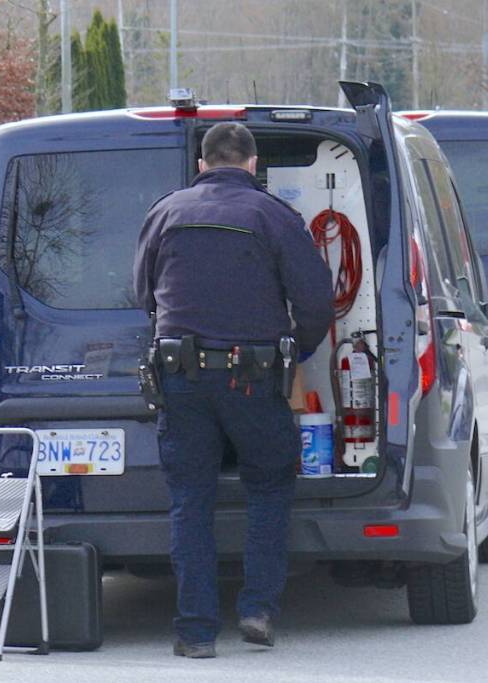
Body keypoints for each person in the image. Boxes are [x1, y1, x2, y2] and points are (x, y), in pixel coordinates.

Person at [133, 122, 333, 658]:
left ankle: (195, 632)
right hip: (253, 376)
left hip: (179, 377)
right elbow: (316, 302)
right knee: (268, 486)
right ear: (252, 164)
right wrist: (296, 353)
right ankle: (258, 610)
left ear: (202, 164)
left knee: (190, 499)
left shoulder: (166, 211)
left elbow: (140, 291)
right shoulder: (273, 216)